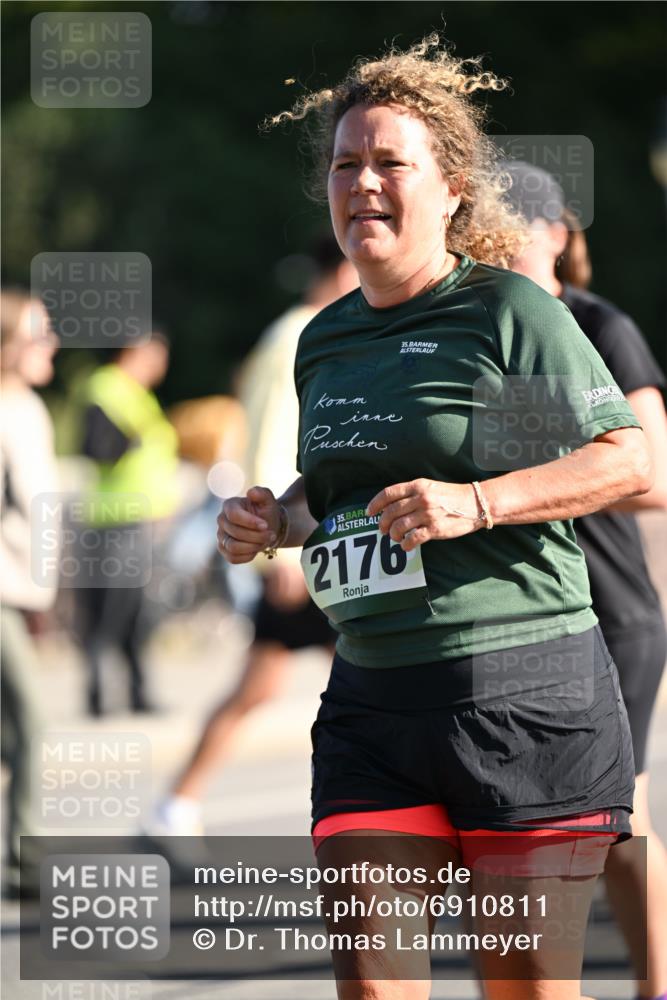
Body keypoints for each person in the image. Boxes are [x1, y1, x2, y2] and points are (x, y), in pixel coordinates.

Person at [218, 35, 654, 1000]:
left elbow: (623, 459)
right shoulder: (326, 340)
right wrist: (275, 521)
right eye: (344, 165)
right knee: (374, 986)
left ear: (451, 187)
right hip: (373, 707)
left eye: (388, 163)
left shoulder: (504, 314)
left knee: (524, 990)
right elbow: (336, 490)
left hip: (524, 703)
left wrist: (477, 502)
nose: (361, 183)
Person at [507, 160, 667, 1000]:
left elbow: (656, 474)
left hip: (613, 617)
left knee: (615, 820)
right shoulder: (482, 327)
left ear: (557, 235)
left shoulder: (600, 327)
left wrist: (517, 483)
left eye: (513, 234)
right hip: (530, 619)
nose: (493, 251)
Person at [153, 237, 357, 834]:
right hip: (302, 548)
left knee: (279, 685)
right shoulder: (298, 333)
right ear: (341, 267)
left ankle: (176, 805)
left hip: (318, 545)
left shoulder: (321, 328)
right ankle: (176, 805)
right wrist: (279, 551)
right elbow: (268, 437)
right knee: (369, 683)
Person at [76, 334, 179, 715]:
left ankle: (137, 691)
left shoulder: (140, 395)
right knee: (109, 611)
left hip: (141, 521)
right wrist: (133, 441)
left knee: (139, 612)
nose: (162, 363)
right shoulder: (106, 388)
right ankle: (98, 695)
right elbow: (96, 448)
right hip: (115, 520)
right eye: (158, 353)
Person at [1, 289, 59, 894]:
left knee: (15, 728)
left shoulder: (29, 409)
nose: (52, 346)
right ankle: (26, 858)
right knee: (30, 721)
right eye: (39, 334)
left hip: (18, 595)